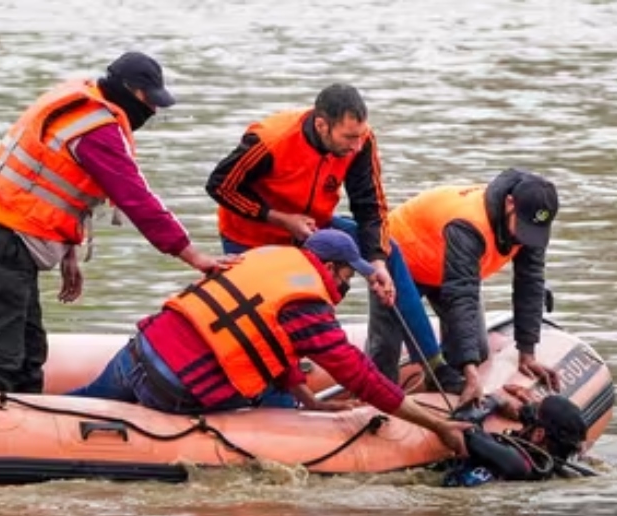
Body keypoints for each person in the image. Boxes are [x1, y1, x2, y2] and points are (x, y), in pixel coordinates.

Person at [0, 51, 231, 394]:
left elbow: (56, 184)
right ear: (131, 91)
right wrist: (194, 256)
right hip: (1, 244)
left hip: (9, 240)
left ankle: (19, 433)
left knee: (30, 356)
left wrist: (68, 249)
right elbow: (138, 201)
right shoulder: (96, 131)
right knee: (4, 357)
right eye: (150, 102)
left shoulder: (85, 102)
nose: (152, 111)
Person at [68, 230, 470, 456]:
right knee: (277, 405)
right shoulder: (308, 303)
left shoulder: (265, 257)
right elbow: (361, 376)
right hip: (174, 389)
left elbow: (265, 339)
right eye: (348, 276)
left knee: (72, 404)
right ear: (330, 268)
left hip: (137, 352)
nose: (347, 285)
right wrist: (436, 424)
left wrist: (310, 400)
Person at [204, 83, 465, 393]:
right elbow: (220, 186)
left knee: (389, 251)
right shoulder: (271, 141)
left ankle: (434, 366)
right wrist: (281, 219)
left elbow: (370, 206)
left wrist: (377, 262)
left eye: (360, 136)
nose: (356, 145)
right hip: (251, 233)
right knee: (268, 311)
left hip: (312, 227)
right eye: (348, 137)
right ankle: (272, 377)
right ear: (321, 125)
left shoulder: (361, 142)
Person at [368, 168, 564, 405]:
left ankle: (439, 390)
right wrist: (470, 373)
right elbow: (462, 295)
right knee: (385, 349)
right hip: (400, 257)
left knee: (478, 350)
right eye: (522, 228)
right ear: (510, 203)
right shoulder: (470, 223)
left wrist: (527, 353)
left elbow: (530, 283)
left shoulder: (532, 223)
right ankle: (376, 405)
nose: (525, 238)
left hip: (446, 266)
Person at [442, 384, 593, 487]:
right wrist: (520, 408)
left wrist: (493, 401)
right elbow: (532, 422)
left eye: (535, 411)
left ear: (539, 434)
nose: (528, 413)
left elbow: (462, 425)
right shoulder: (544, 467)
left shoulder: (516, 462)